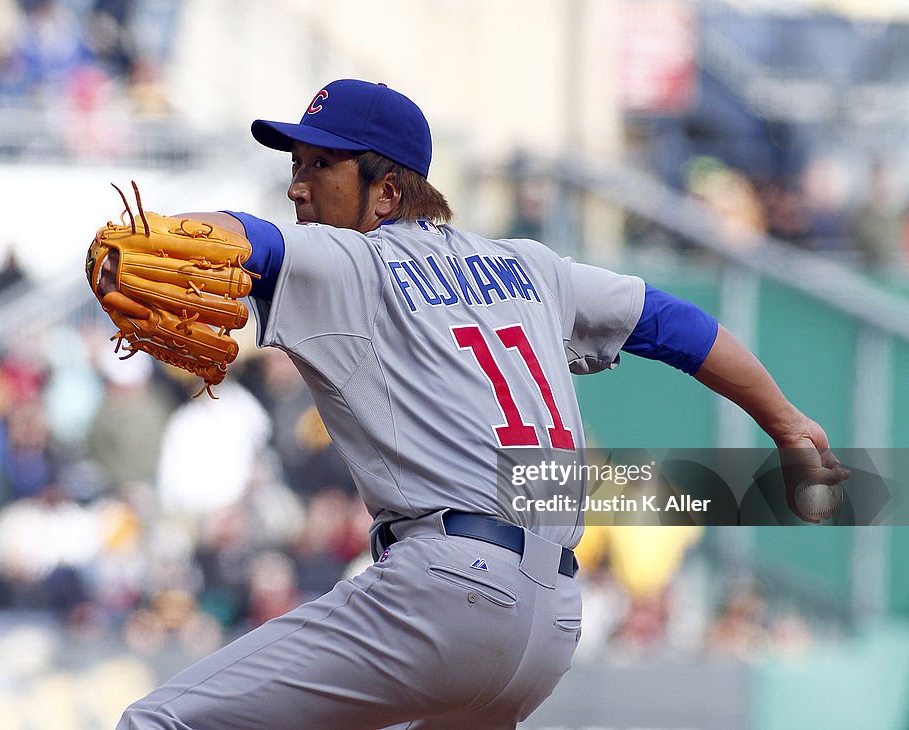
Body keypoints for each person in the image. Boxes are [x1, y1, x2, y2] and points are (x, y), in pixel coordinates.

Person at [115, 79, 849, 729]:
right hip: (552, 620)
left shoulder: (350, 259)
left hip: (443, 594)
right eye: (296, 165)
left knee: (160, 720)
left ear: (389, 193)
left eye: (321, 166)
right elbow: (671, 324)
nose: (298, 186)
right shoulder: (527, 266)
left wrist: (143, 243)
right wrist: (786, 423)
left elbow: (249, 240)